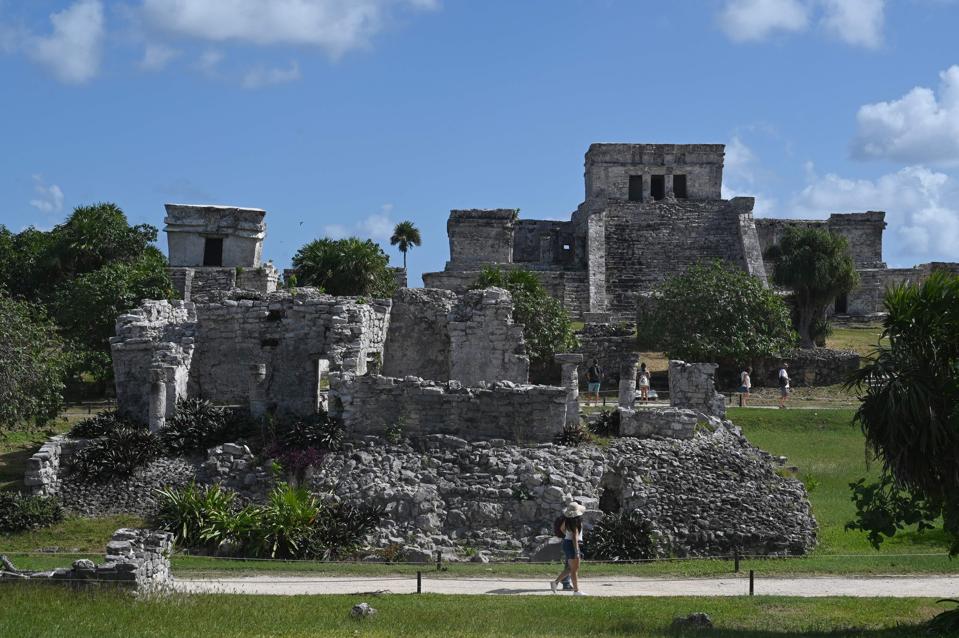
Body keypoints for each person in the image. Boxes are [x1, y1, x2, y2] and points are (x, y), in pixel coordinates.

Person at [551, 502, 587, 596]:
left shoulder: (567, 520)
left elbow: (562, 529)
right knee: (574, 569)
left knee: (571, 568)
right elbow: (575, 537)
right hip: (573, 544)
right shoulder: (576, 522)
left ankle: (555, 582)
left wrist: (567, 535)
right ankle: (576, 591)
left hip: (567, 543)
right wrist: (577, 551)